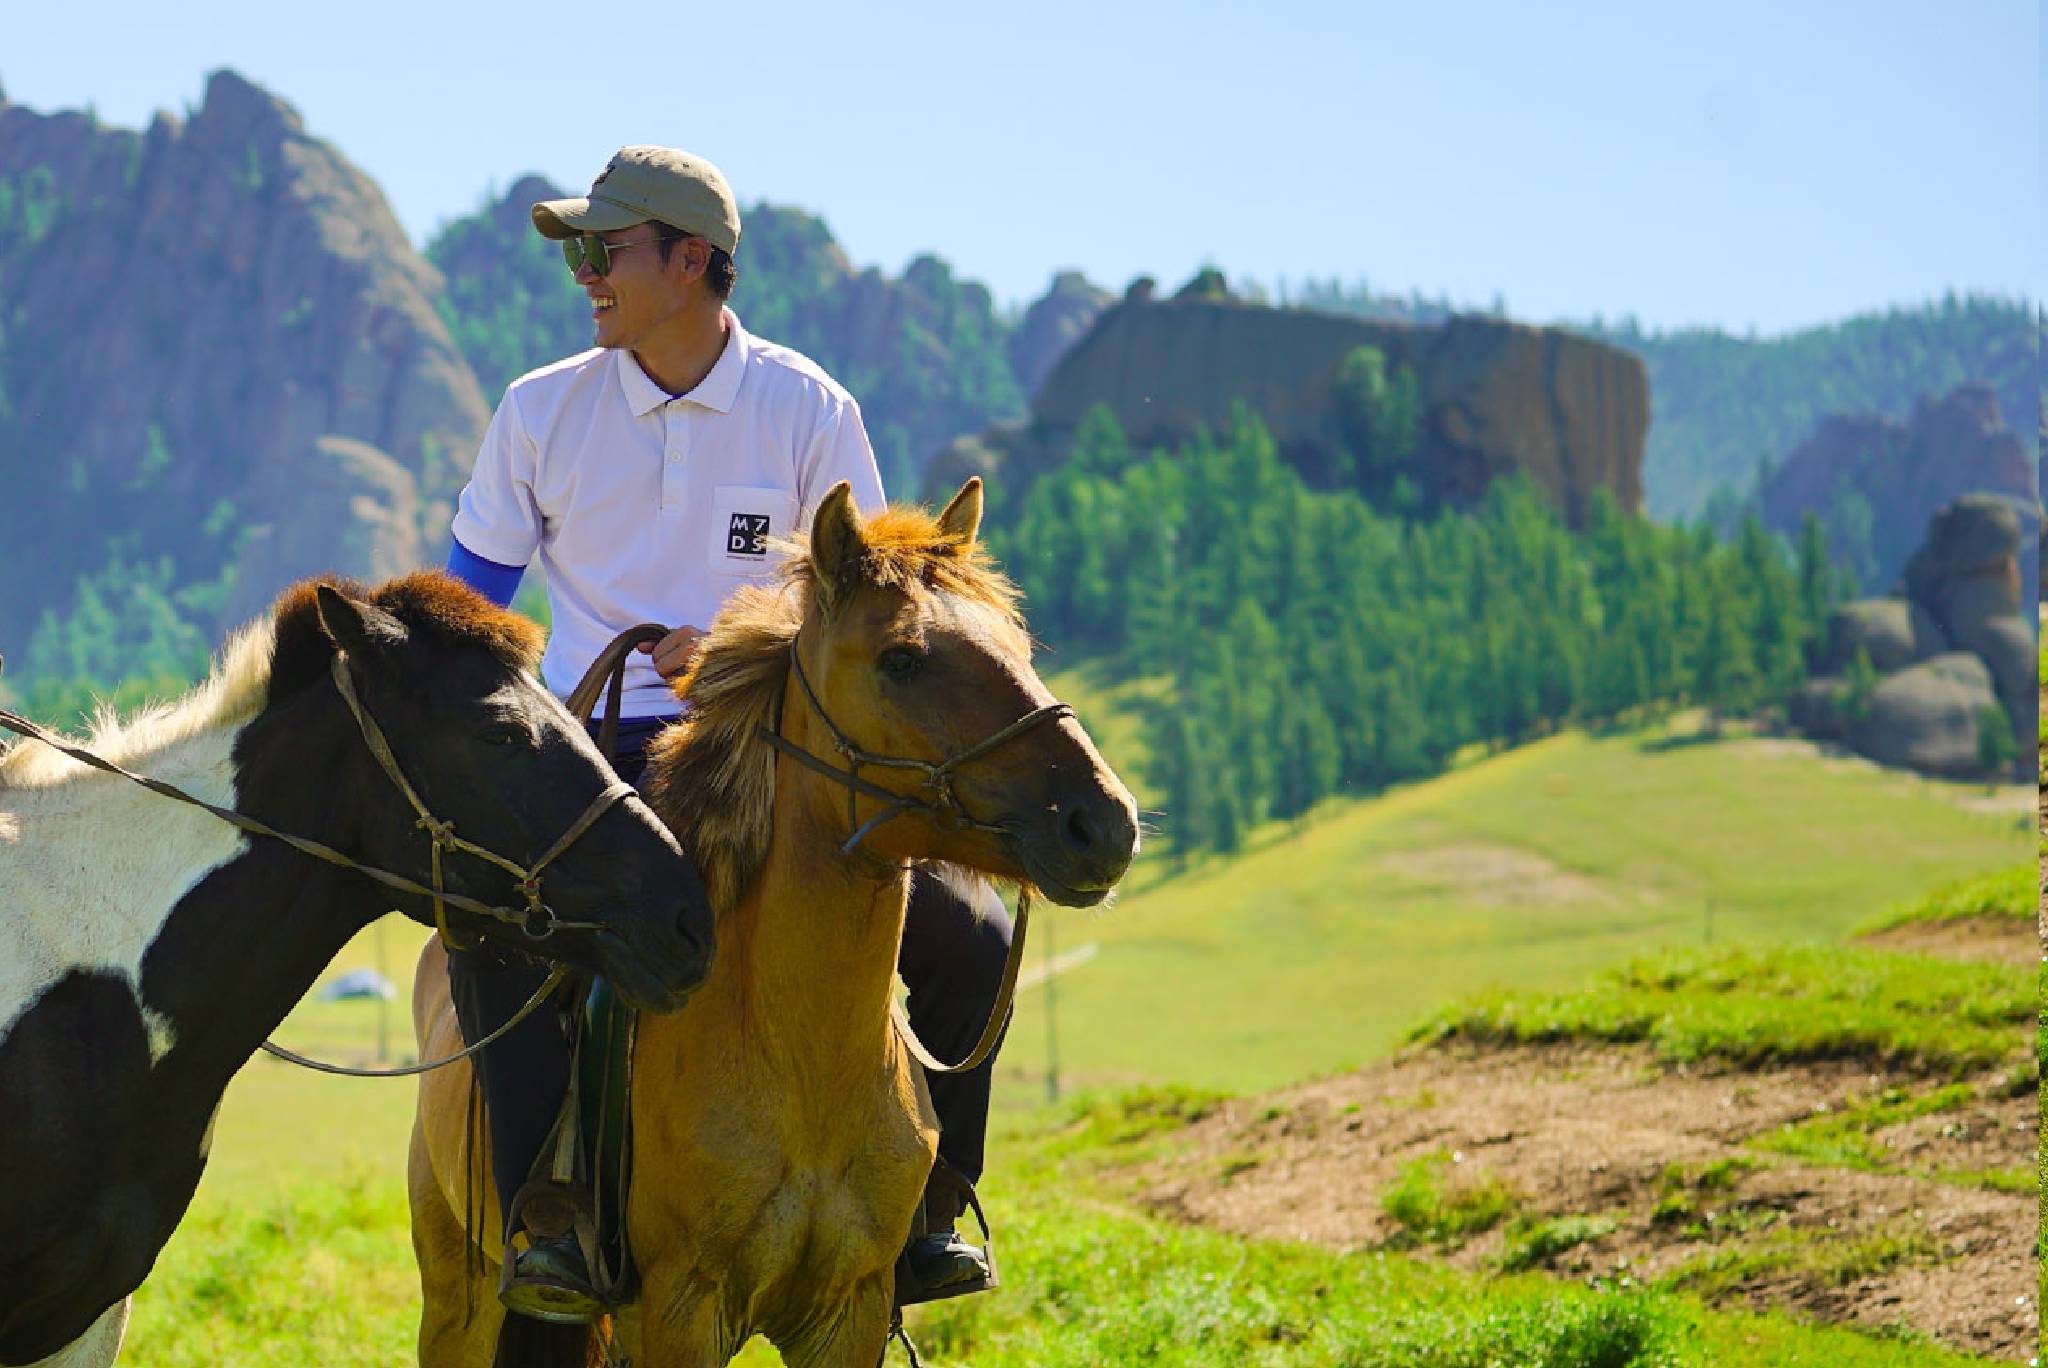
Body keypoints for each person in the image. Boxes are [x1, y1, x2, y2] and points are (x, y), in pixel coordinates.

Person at [440, 145, 1010, 1321]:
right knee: (493, 916)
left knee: (973, 931)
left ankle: (930, 1209)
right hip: (598, 746)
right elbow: (471, 608)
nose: (582, 274)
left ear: (689, 259)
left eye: (604, 251)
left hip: (786, 749)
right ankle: (545, 1224)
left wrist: (736, 651)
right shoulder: (538, 411)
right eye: (577, 253)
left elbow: (873, 599)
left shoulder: (808, 407)